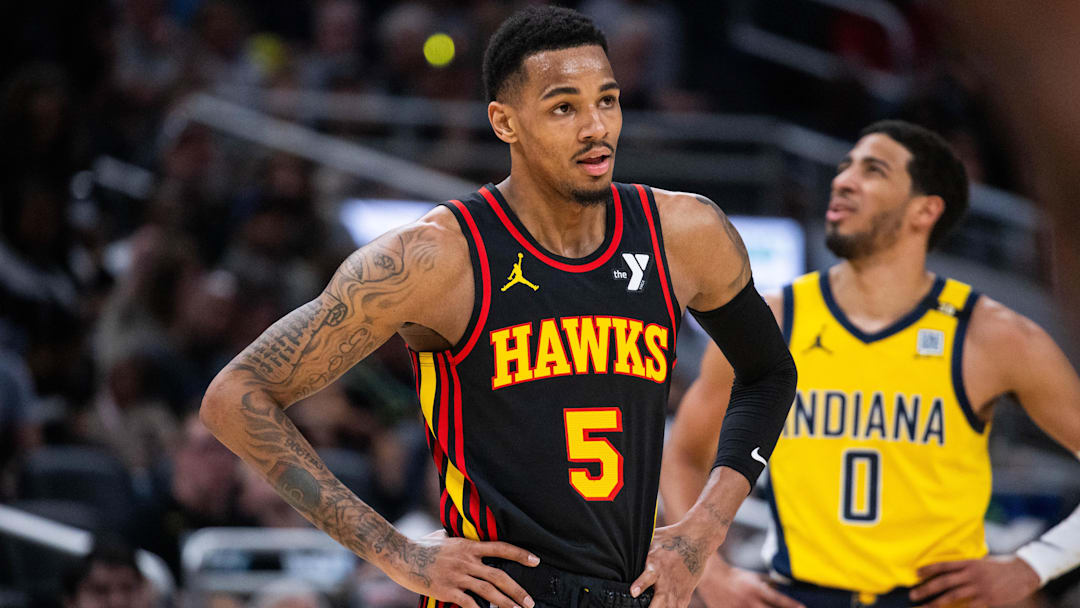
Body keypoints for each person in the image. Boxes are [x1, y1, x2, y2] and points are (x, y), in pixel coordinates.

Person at [200, 6, 796, 608]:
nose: (597, 127)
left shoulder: (683, 232)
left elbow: (770, 372)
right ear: (504, 122)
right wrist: (396, 552)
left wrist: (704, 529)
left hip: (630, 593)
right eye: (564, 107)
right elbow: (236, 395)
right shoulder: (436, 258)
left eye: (607, 100)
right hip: (497, 594)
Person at [660, 120, 1080, 608]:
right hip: (801, 595)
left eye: (873, 170)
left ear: (926, 210)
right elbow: (684, 454)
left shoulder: (995, 336)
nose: (843, 180)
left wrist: (1034, 566)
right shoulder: (773, 320)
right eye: (844, 167)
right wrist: (710, 572)